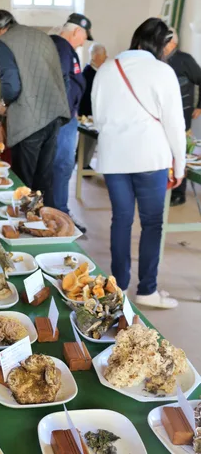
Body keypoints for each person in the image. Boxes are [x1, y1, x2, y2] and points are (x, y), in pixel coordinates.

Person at [92, 18, 186, 309]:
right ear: (159, 44)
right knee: (152, 223)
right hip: (150, 157)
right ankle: (147, 290)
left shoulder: (106, 69)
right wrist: (179, 165)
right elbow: (174, 122)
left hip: (113, 157)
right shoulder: (162, 71)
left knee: (121, 220)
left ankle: (116, 290)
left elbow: (97, 118)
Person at [0, 9, 70, 206]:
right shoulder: (42, 37)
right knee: (43, 181)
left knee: (23, 183)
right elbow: (63, 77)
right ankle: (43, 226)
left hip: (28, 121)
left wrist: (3, 103)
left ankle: (22, 228)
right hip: (53, 116)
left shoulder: (4, 41)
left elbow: (11, 85)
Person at [50, 15, 92, 231]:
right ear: (77, 31)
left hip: (64, 118)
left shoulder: (64, 49)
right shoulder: (61, 48)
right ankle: (59, 214)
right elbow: (61, 84)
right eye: (84, 37)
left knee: (62, 166)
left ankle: (58, 212)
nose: (83, 42)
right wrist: (65, 115)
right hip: (63, 119)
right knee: (62, 165)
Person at [163, 28, 201, 206]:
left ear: (172, 43)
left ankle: (179, 193)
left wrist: (200, 106)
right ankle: (164, 185)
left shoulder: (185, 60)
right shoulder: (157, 60)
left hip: (182, 115)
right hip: (162, 115)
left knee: (179, 151)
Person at [79, 43, 107, 117]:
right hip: (88, 117)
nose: (106, 57)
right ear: (96, 56)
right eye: (104, 54)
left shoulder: (96, 72)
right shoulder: (87, 75)